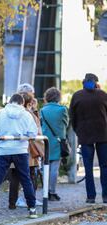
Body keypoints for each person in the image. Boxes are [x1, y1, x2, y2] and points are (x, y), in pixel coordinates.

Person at [0, 94, 38, 219]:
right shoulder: (26, 115)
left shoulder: (0, 113)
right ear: (22, 103)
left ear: (9, 102)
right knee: (26, 180)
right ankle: (32, 208)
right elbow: (33, 133)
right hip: (20, 150)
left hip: (3, 150)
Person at [69, 73, 107, 204]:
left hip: (85, 135)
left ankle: (90, 197)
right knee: (105, 166)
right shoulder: (103, 95)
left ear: (83, 82)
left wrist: (78, 130)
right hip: (103, 135)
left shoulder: (77, 96)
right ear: (96, 83)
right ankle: (106, 197)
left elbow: (72, 117)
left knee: (88, 167)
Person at [9, 84, 43, 209]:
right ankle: (30, 201)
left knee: (15, 175)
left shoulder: (9, 111)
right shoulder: (29, 114)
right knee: (30, 175)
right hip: (28, 149)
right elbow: (36, 130)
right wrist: (34, 111)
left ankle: (12, 202)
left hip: (12, 147)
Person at [40, 87, 68, 202]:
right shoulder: (62, 109)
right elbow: (66, 124)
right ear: (58, 97)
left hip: (45, 141)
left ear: (47, 97)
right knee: (54, 169)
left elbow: (40, 124)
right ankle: (52, 192)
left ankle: (45, 191)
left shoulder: (42, 110)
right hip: (57, 142)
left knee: (45, 167)